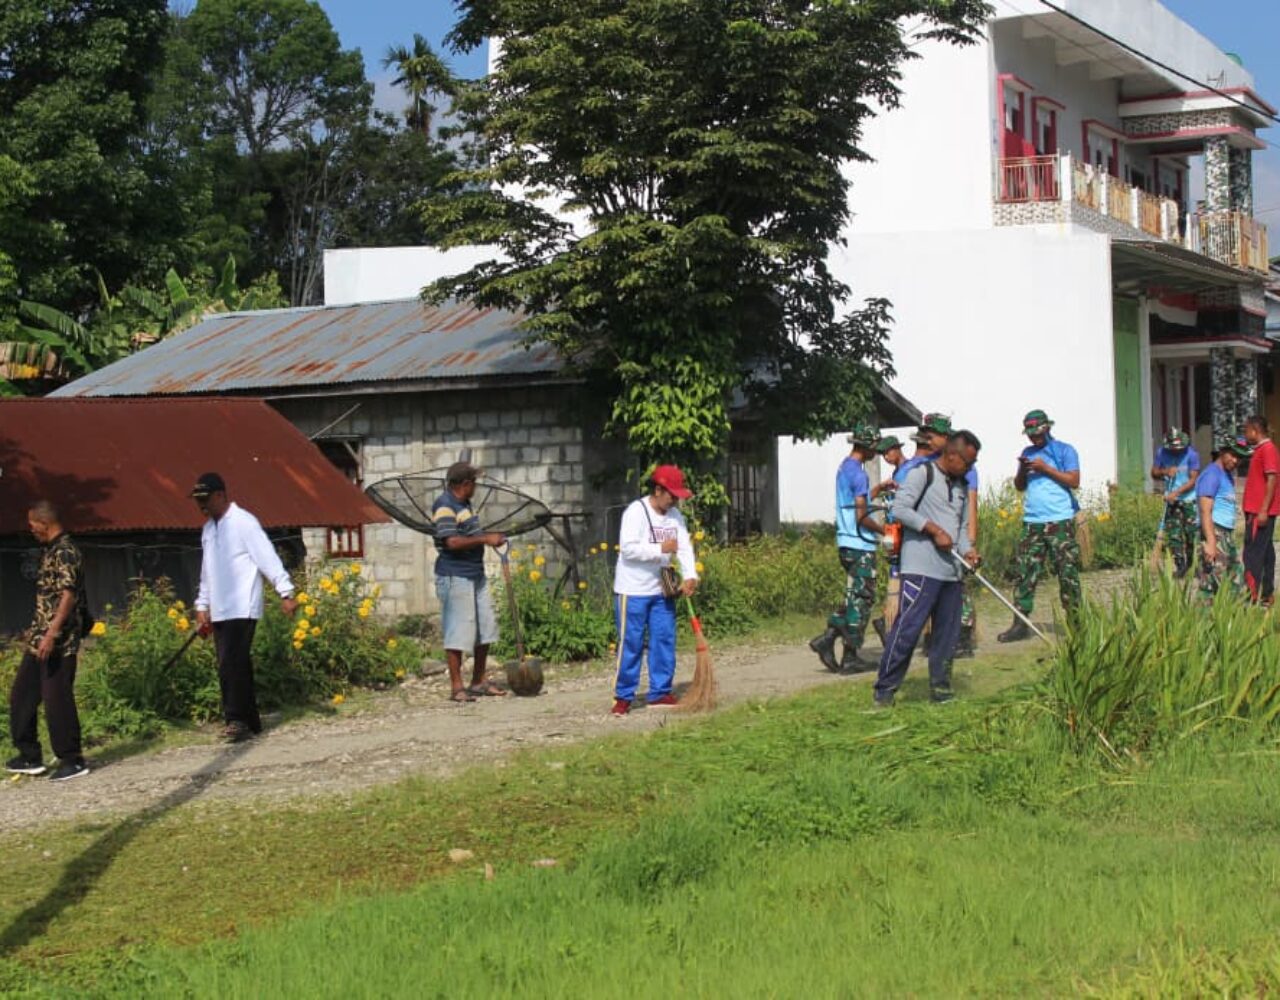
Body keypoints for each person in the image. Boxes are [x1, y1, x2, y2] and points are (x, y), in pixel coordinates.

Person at [873, 431, 982, 707]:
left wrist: (968, 550)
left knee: (947, 635)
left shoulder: (960, 487)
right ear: (952, 455)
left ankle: (941, 689)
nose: (970, 467)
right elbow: (900, 509)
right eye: (967, 461)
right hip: (921, 568)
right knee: (908, 629)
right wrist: (933, 530)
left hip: (951, 572)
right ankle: (885, 690)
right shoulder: (922, 474)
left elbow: (959, 529)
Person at [193, 473, 299, 740]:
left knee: (232, 663)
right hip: (219, 608)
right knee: (232, 663)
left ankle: (236, 720)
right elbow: (207, 571)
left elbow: (267, 558)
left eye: (205, 499)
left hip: (242, 604)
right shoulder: (208, 530)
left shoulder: (244, 523)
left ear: (220, 495)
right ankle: (251, 721)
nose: (201, 506)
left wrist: (285, 591)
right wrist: (202, 604)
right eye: (198, 501)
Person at [7, 501, 90, 781]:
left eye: (33, 527)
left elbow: (69, 595)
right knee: (22, 695)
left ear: (44, 523)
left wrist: (53, 633)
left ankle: (72, 759)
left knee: (57, 699)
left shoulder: (66, 551)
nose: (32, 532)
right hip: (39, 638)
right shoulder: (50, 551)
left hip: (59, 639)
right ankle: (29, 755)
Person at [612, 465, 698, 716]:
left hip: (663, 589)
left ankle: (660, 692)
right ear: (658, 490)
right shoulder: (635, 512)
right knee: (631, 643)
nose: (674, 501)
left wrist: (691, 575)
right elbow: (627, 549)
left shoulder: (675, 517)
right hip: (633, 590)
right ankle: (624, 696)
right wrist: (660, 548)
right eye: (671, 495)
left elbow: (682, 547)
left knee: (664, 639)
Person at [998, 409, 1081, 642]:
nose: (1033, 438)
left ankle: (1076, 623)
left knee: (1067, 572)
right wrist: (1023, 469)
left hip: (1060, 520)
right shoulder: (1027, 452)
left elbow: (1074, 480)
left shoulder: (1065, 450)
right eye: (1030, 434)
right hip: (1032, 521)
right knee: (1025, 573)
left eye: (1037, 433)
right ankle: (1020, 624)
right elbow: (1019, 486)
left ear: (1047, 429)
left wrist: (1046, 468)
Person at [431, 462, 507, 703]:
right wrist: (486, 539)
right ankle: (457, 687)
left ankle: (478, 681)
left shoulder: (464, 505)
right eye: (474, 482)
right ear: (465, 484)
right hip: (455, 576)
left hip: (475, 574)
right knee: (457, 632)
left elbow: (467, 536)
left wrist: (489, 539)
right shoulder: (444, 506)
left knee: (485, 627)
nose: (476, 487)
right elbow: (451, 542)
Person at [809, 424, 880, 674]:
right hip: (860, 541)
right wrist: (883, 531)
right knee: (863, 599)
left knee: (853, 596)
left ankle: (828, 638)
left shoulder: (844, 468)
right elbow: (862, 515)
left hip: (845, 542)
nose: (876, 452)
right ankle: (850, 655)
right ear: (867, 446)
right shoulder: (859, 474)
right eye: (874, 447)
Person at [1197, 436, 1251, 598]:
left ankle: (1231, 619)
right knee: (1214, 583)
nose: (1236, 461)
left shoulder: (1226, 475)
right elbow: (1205, 510)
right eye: (1232, 455)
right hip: (1214, 532)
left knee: (1234, 578)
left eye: (1239, 457)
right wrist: (1211, 542)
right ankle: (1207, 618)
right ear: (1222, 452)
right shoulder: (1211, 474)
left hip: (1225, 534)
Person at [869, 435, 908, 645]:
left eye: (887, 452)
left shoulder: (909, 469)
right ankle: (889, 621)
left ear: (897, 449)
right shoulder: (895, 473)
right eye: (882, 454)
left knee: (904, 577)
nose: (885, 457)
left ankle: (891, 622)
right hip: (894, 531)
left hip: (904, 528)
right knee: (897, 575)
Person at [1151, 427, 1200, 578]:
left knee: (1191, 534)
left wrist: (1176, 493)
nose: (1176, 451)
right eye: (1173, 448)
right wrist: (1165, 472)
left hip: (1189, 500)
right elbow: (1153, 472)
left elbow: (1193, 480)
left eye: (1179, 448)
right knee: (1174, 535)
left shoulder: (1192, 455)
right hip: (1171, 501)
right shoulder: (1161, 453)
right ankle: (1180, 566)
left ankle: (1193, 565)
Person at [1241, 415, 1280, 606]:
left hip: (1259, 513)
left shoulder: (1268, 450)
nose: (1244, 434)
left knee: (1252, 554)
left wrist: (1263, 510)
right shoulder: (1260, 450)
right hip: (1256, 511)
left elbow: (1272, 480)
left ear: (1255, 430)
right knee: (1265, 552)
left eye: (1246, 430)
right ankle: (1267, 593)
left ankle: (1252, 595)